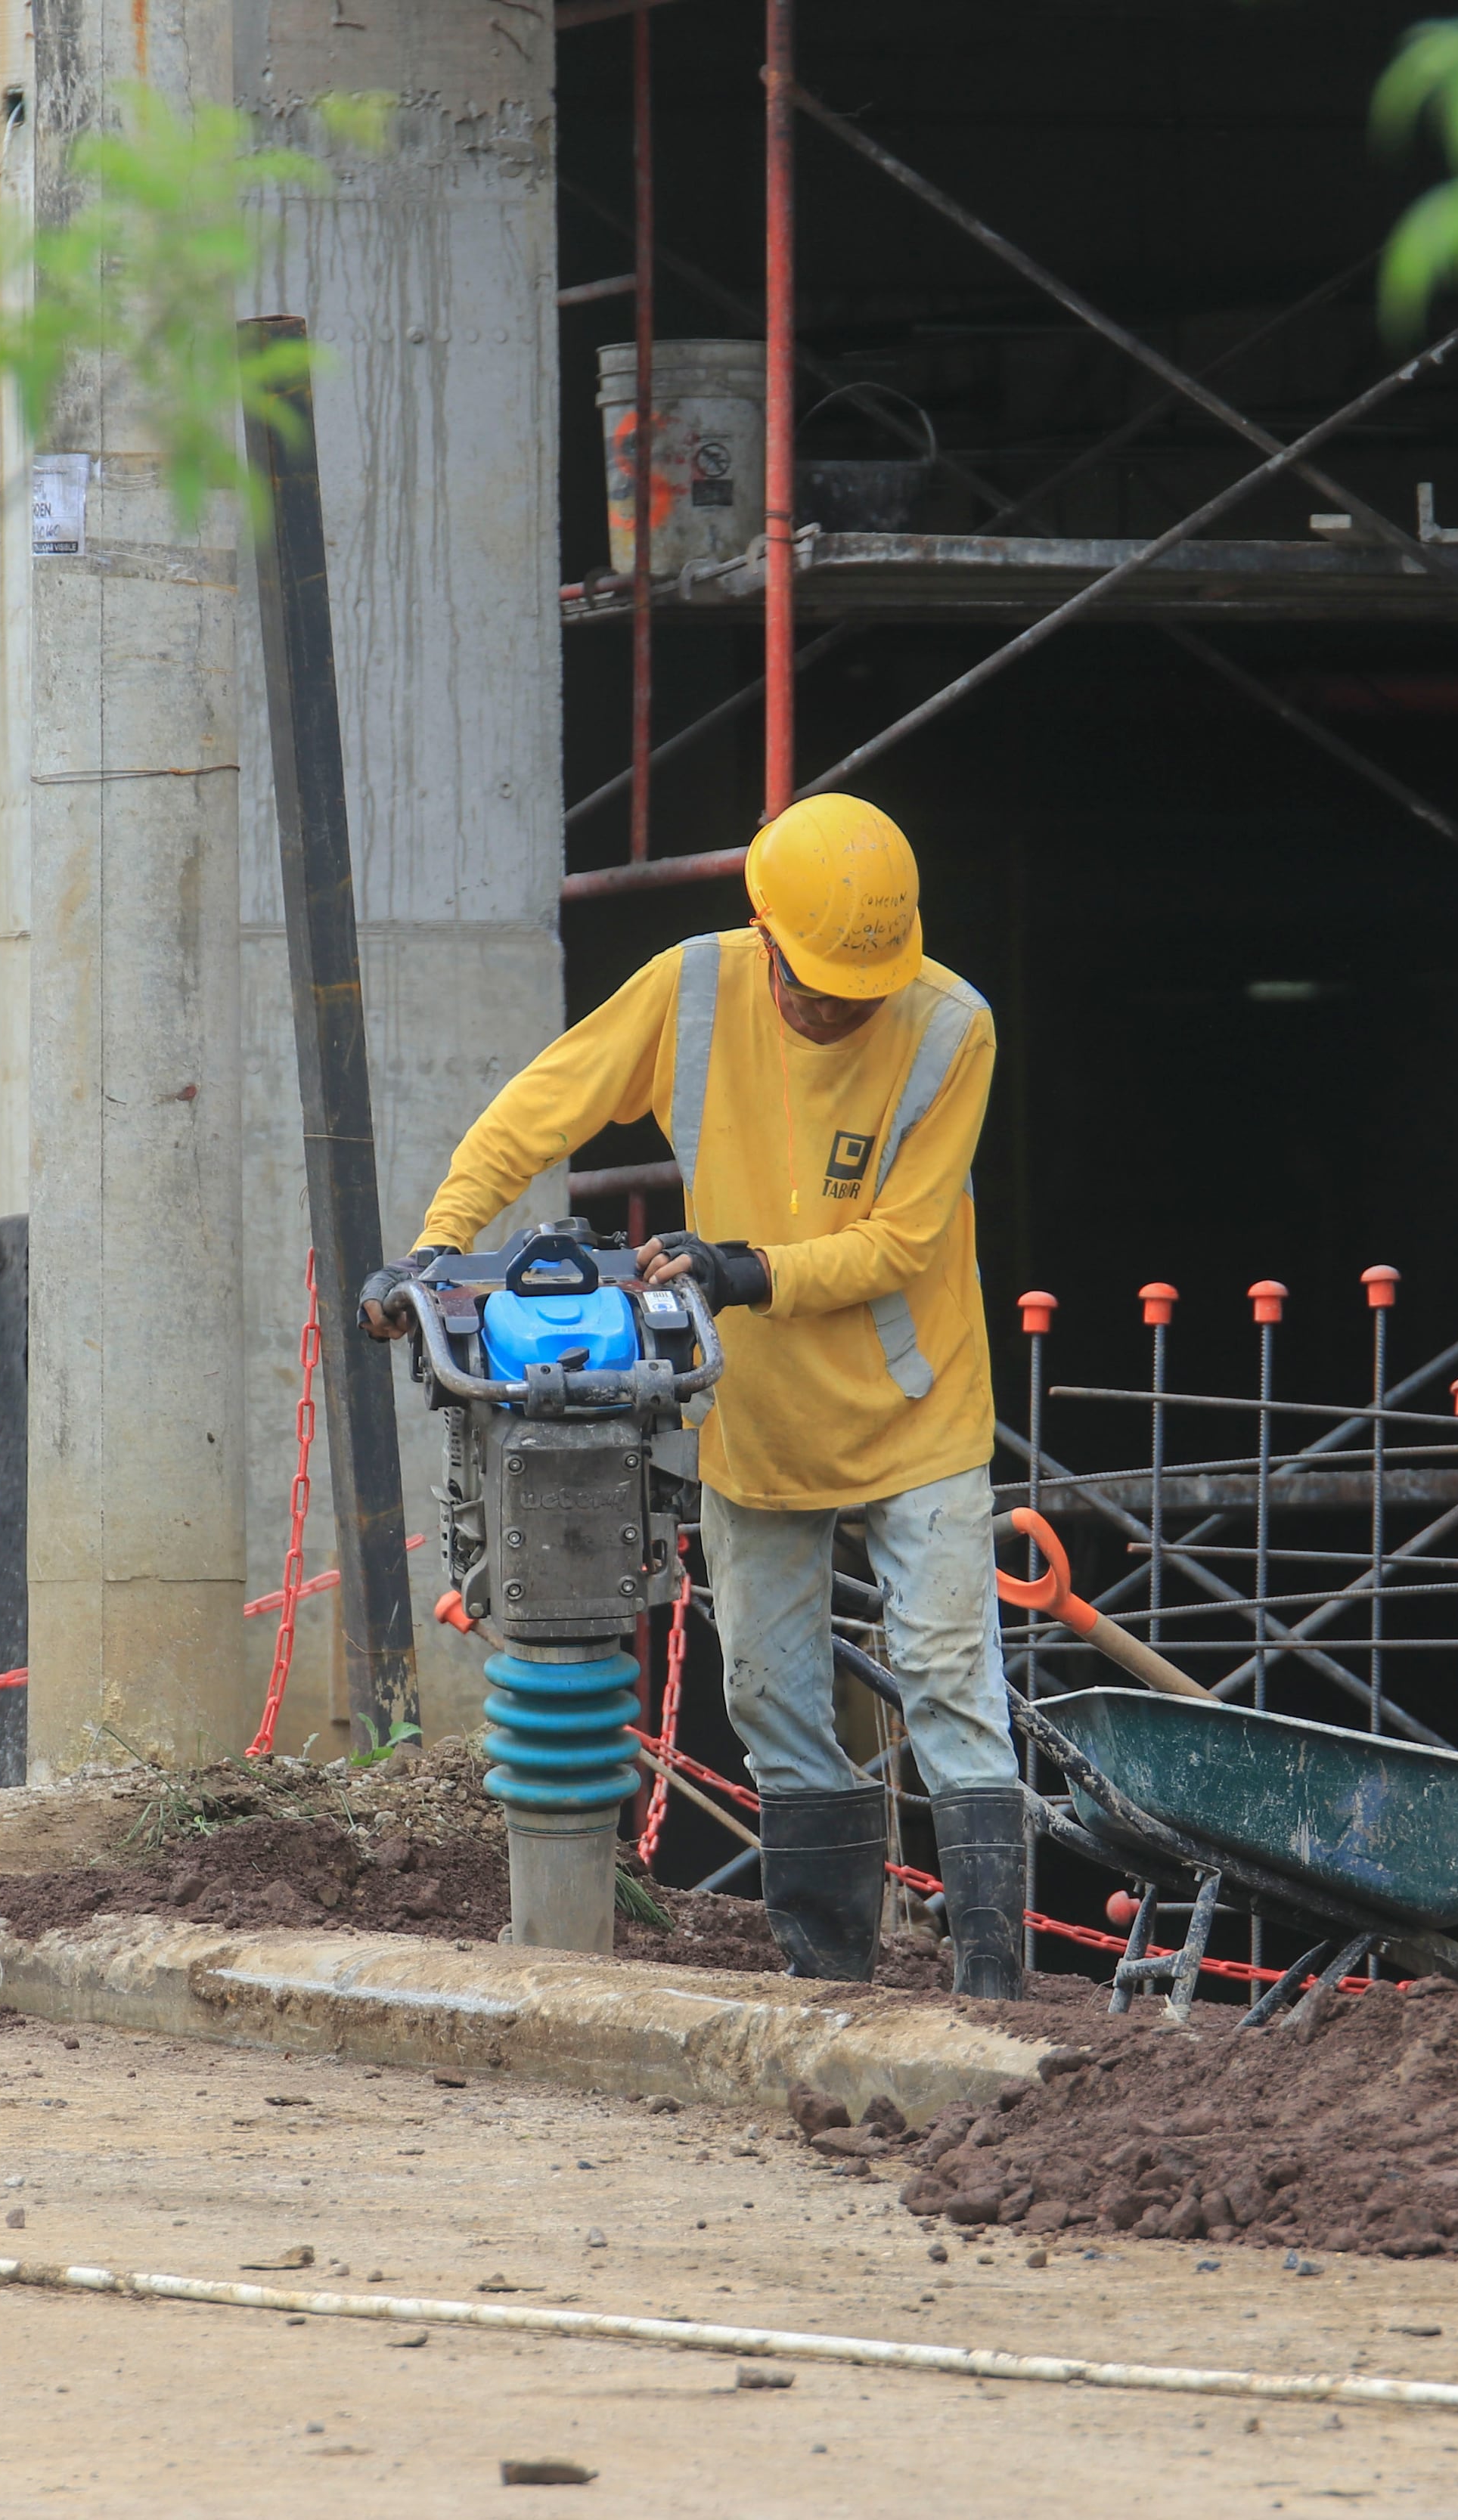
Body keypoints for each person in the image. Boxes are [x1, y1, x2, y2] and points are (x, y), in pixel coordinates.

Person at [364, 794, 1022, 1996]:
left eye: (858, 991)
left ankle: (994, 1989)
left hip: (916, 1413)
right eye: (816, 983)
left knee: (948, 1684)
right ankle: (830, 1982)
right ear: (763, 933)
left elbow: (903, 1243)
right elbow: (541, 1106)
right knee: (770, 1693)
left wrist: (744, 1269)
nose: (835, 1009)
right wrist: (437, 1243)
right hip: (762, 1415)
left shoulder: (950, 1027)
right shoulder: (694, 990)